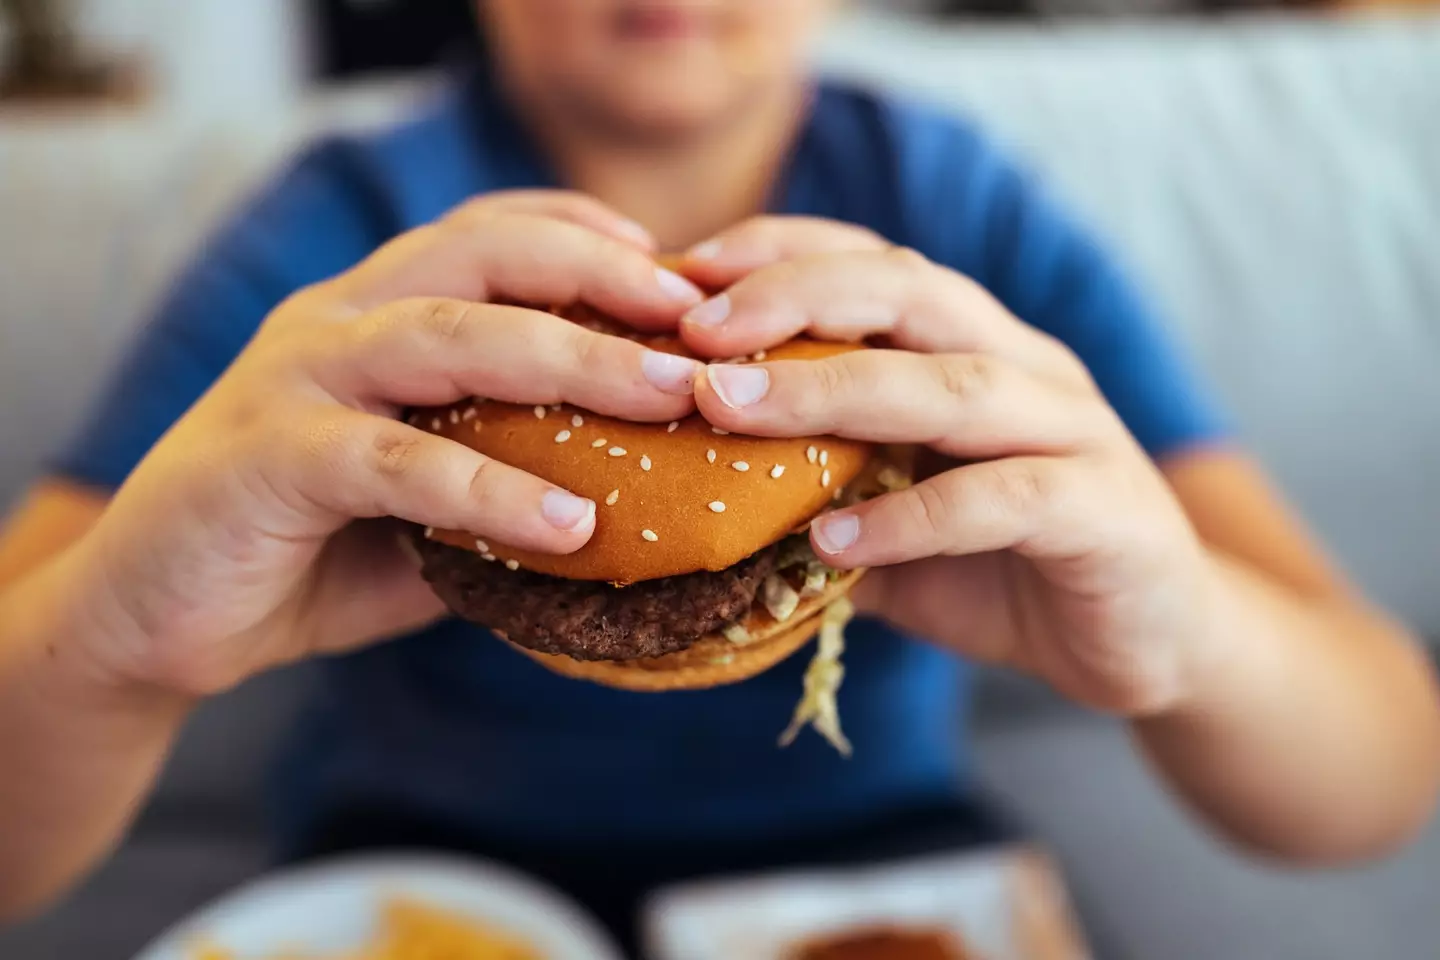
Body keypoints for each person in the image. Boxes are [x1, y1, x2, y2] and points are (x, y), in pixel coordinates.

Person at [2, 0, 1437, 951]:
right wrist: (117, 648)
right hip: (417, 870)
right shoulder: (344, 230)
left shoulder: (957, 217)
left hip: (881, 860)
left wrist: (1185, 640)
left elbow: (1384, 778)